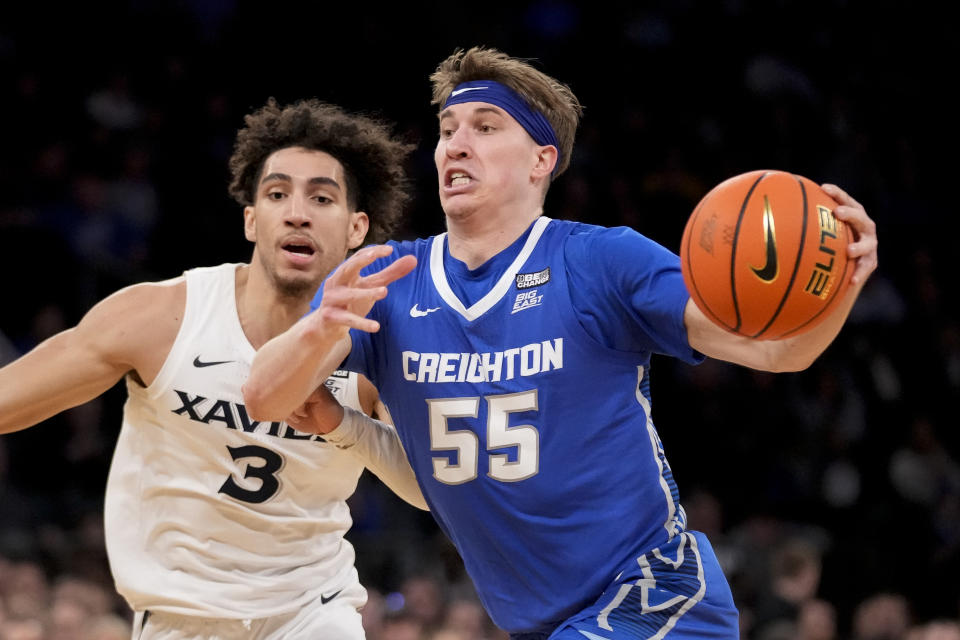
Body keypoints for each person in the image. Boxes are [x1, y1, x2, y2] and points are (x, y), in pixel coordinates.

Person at [245, 47, 879, 639]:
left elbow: (777, 352)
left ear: (541, 159)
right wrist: (319, 325)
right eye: (448, 129)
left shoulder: (601, 261)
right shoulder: (386, 279)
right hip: (541, 624)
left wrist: (843, 280)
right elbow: (263, 398)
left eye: (485, 127)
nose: (455, 145)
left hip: (653, 595)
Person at [0, 98, 428, 639]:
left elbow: (431, 488)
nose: (297, 211)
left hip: (312, 611)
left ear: (356, 227)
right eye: (277, 195)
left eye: (322, 197)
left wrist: (346, 426)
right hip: (180, 618)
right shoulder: (162, 318)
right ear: (252, 220)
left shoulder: (378, 342)